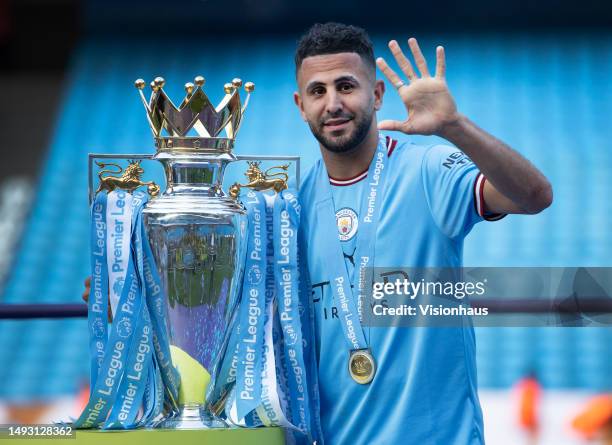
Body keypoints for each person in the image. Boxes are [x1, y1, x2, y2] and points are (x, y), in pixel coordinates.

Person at [294, 22, 551, 444]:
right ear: (300, 105)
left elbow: (534, 196)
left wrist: (455, 127)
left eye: (346, 86)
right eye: (318, 91)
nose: (333, 104)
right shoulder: (293, 210)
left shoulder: (428, 171)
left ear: (376, 95)